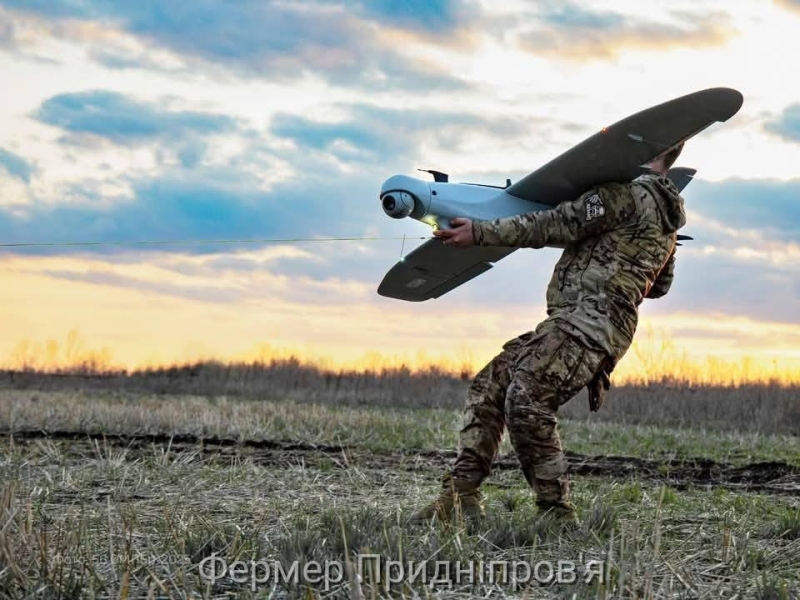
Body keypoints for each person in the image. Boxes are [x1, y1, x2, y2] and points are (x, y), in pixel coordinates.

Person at [408, 143, 687, 526]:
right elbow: (660, 286)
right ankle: (459, 498)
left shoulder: (622, 195)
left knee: (527, 399)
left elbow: (556, 223)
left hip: (587, 324)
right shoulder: (669, 222)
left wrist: (480, 232)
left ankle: (557, 514)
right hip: (584, 326)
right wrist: (628, 255)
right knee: (490, 385)